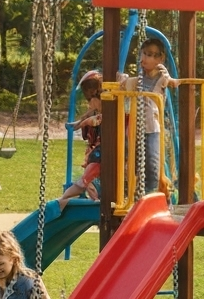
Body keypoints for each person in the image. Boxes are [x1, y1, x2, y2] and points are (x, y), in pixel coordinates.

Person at [117, 37, 180, 194]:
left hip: (152, 129)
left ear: (160, 59)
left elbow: (170, 81)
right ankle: (135, 192)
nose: (145, 58)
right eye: (143, 53)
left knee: (152, 163)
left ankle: (152, 193)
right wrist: (121, 79)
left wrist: (171, 79)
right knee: (132, 161)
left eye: (151, 55)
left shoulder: (161, 77)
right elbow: (124, 86)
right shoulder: (138, 79)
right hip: (135, 129)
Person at [58, 70, 103, 209]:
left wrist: (83, 123)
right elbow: (88, 118)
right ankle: (94, 197)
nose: (89, 103)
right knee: (89, 175)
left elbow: (96, 120)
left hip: (101, 153)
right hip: (97, 152)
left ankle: (63, 200)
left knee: (86, 178)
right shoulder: (96, 108)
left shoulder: (106, 109)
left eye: (89, 99)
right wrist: (78, 123)